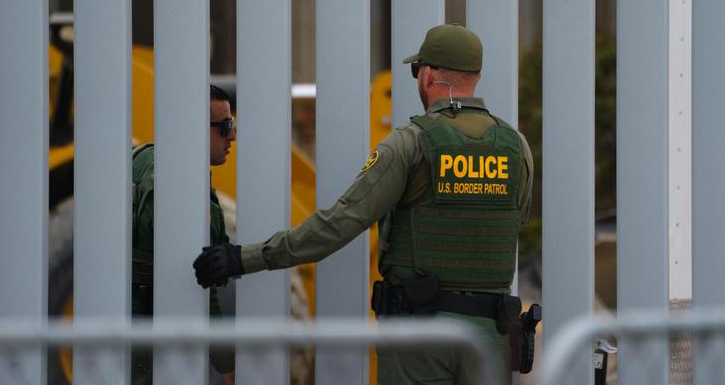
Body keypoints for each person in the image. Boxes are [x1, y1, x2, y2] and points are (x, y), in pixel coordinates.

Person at [193, 24, 536, 384]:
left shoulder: (410, 143)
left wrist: (243, 258)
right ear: (476, 75)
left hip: (420, 341)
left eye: (417, 71)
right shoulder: (516, 147)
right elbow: (516, 220)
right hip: (489, 338)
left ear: (429, 74)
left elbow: (339, 224)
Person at [132, 84, 236, 384]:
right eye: (225, 126)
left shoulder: (153, 164)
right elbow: (192, 273)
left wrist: (224, 361)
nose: (232, 136)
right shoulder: (172, 179)